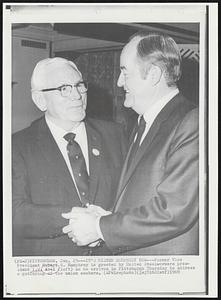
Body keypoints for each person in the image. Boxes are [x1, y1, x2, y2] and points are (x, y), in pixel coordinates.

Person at [62, 32, 199, 255]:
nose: (118, 81)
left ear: (153, 75)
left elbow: (174, 210)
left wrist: (100, 228)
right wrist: (108, 218)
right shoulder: (143, 123)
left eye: (125, 72)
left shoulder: (191, 121)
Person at [12, 57, 126, 256]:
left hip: (110, 262)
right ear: (40, 100)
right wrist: (76, 219)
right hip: (50, 271)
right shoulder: (17, 146)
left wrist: (105, 227)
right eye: (64, 88)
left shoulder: (116, 135)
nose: (77, 95)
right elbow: (13, 212)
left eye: (79, 85)